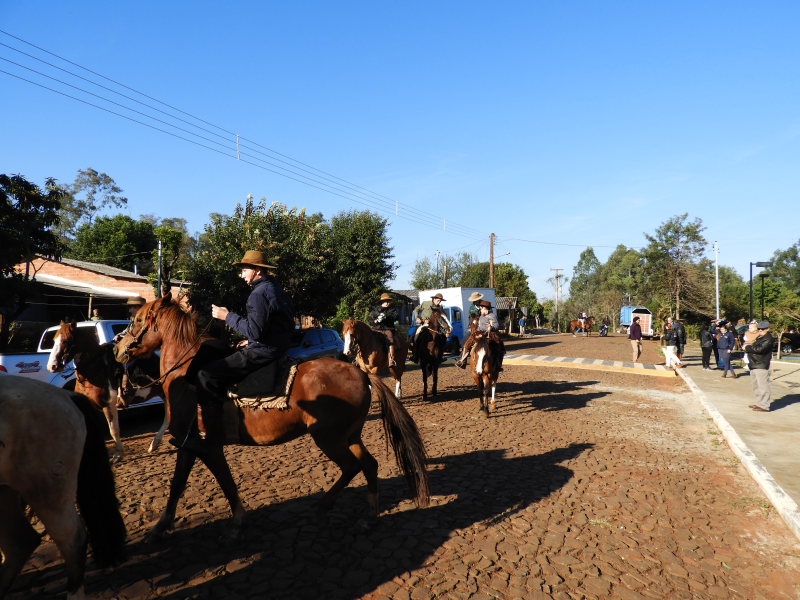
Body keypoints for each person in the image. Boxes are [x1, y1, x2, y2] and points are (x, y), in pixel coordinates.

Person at [179, 251, 295, 454]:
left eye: (244, 270)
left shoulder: (258, 294)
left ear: (257, 271)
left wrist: (227, 316)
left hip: (263, 353)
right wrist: (250, 341)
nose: (241, 275)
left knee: (205, 375)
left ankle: (206, 435)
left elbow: (255, 330)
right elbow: (274, 326)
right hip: (274, 348)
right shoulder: (277, 289)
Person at [456, 300, 505, 369]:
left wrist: (491, 328)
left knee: (498, 346)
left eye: (481, 309)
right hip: (479, 333)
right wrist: (476, 331)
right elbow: (479, 326)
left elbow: (496, 326)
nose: (480, 310)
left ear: (485, 309)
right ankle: (462, 361)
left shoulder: (492, 316)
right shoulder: (481, 316)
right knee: (467, 343)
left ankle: (497, 364)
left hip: (490, 334)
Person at [113, 297, 147, 394]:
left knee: (127, 360)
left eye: (131, 307)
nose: (129, 310)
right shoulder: (133, 320)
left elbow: (140, 333)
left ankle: (129, 385)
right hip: (131, 344)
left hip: (139, 346)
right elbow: (127, 331)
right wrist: (119, 335)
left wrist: (129, 337)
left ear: (137, 307)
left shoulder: (144, 320)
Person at [409, 293, 452, 362]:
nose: (439, 302)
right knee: (414, 336)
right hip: (424, 324)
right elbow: (416, 309)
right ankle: (415, 355)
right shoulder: (425, 303)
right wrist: (417, 318)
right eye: (438, 300)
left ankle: (441, 356)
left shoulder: (439, 308)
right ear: (433, 299)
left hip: (435, 327)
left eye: (440, 301)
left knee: (443, 337)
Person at [746, 321, 775, 412]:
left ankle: (764, 405)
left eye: (763, 329)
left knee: (763, 386)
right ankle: (759, 403)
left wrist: (747, 347)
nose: (760, 331)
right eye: (759, 329)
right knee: (756, 386)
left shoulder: (768, 339)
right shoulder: (760, 337)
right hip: (754, 364)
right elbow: (754, 347)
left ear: (768, 329)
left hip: (761, 364)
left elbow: (759, 349)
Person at [369, 293, 399, 366]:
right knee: (367, 337)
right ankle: (357, 359)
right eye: (386, 301)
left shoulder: (392, 309)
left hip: (388, 329)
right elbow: (370, 321)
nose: (388, 303)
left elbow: (396, 316)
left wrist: (386, 316)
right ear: (382, 302)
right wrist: (374, 321)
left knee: (390, 338)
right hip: (376, 329)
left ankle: (391, 359)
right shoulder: (375, 310)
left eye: (389, 301)